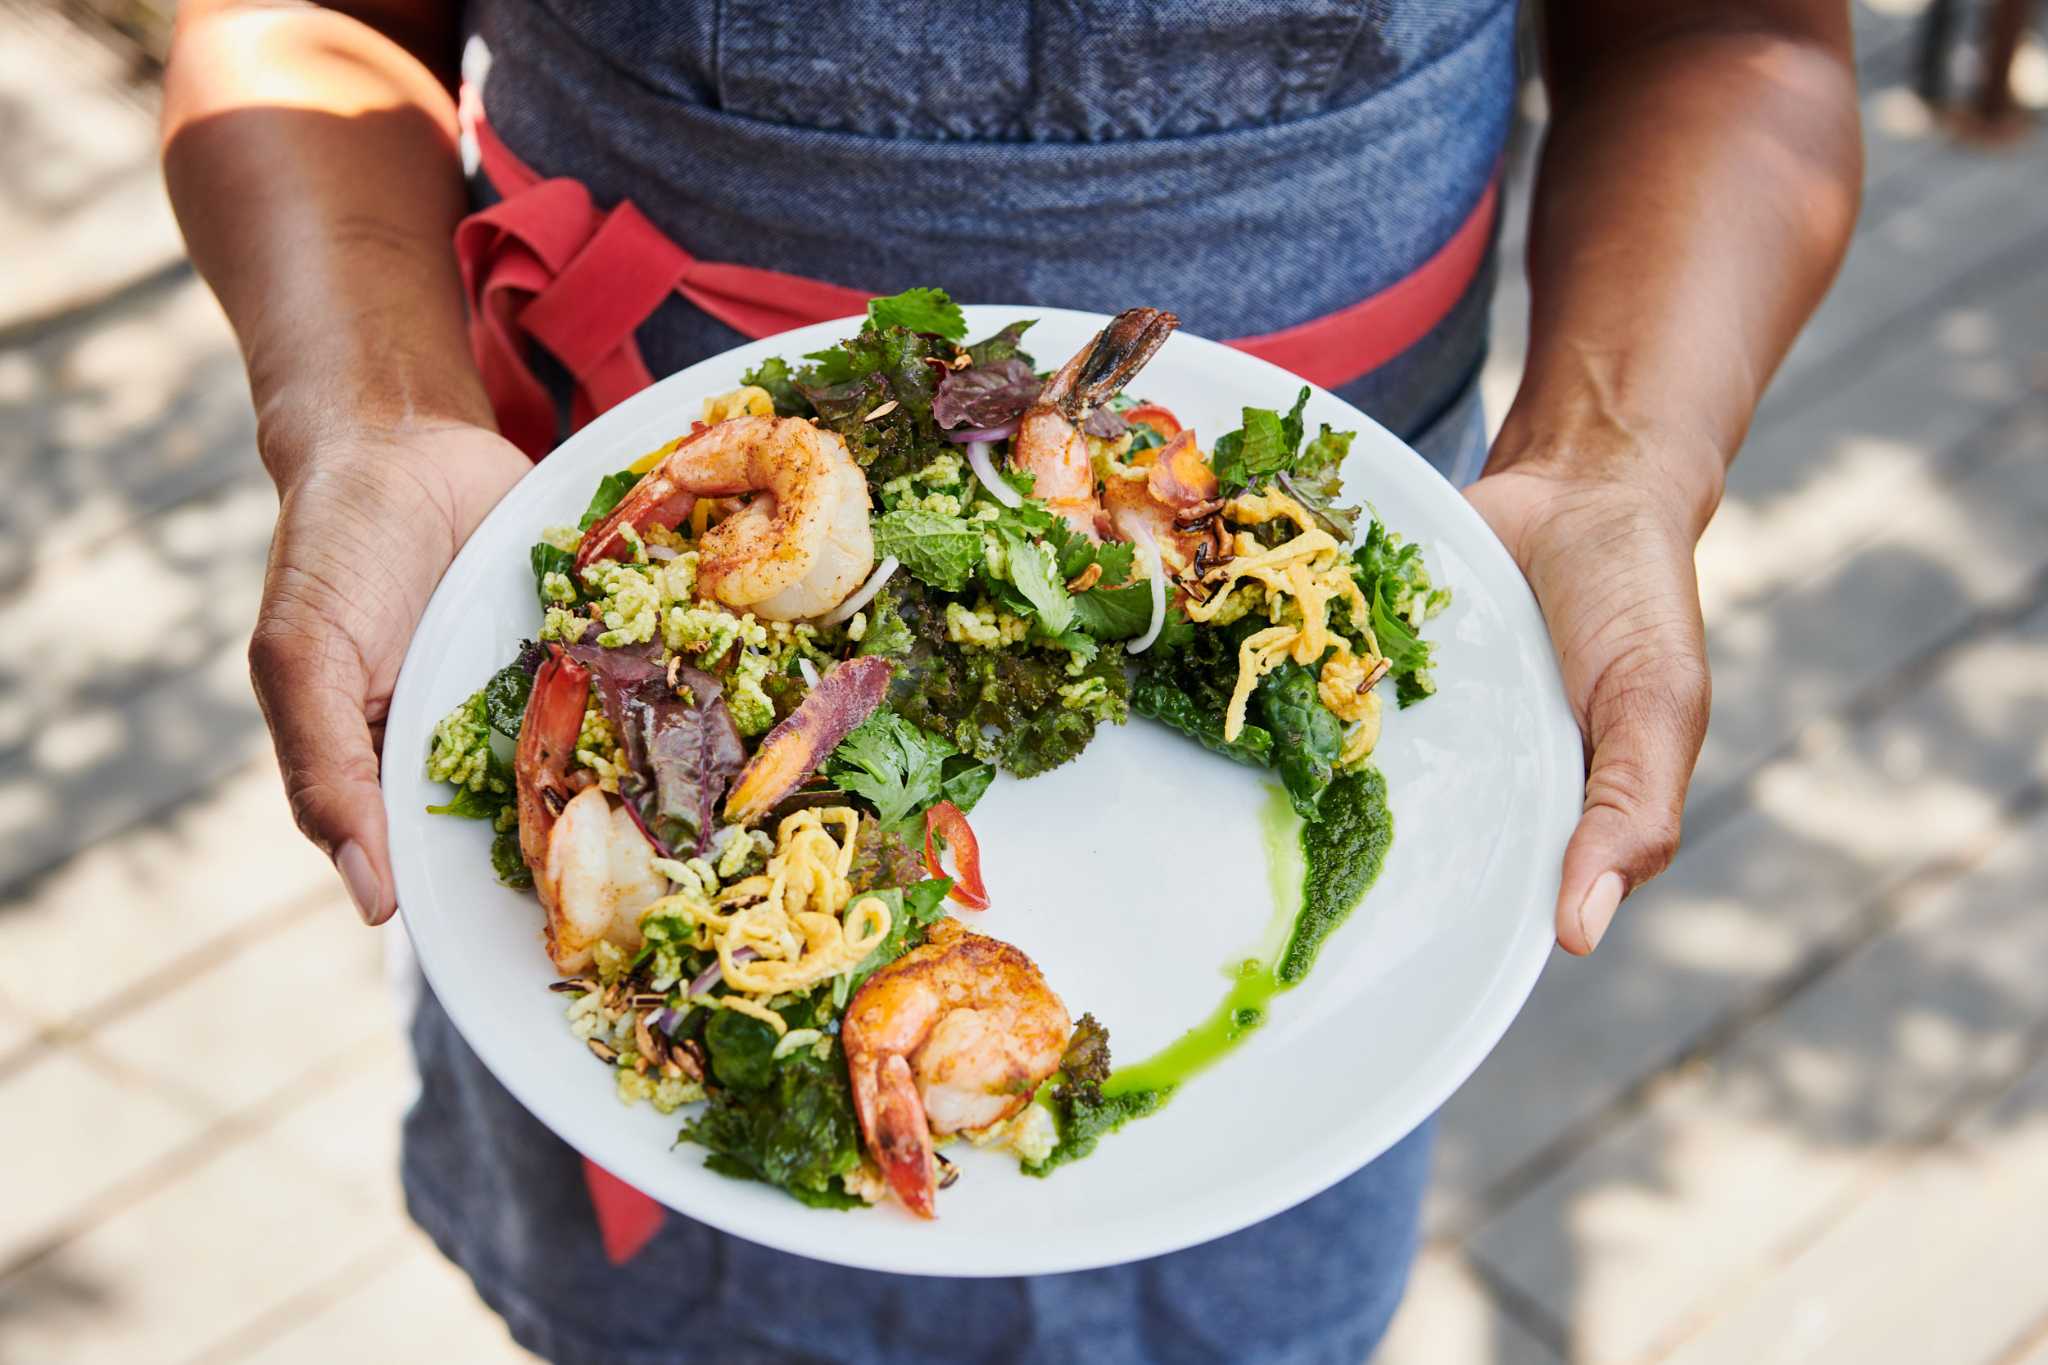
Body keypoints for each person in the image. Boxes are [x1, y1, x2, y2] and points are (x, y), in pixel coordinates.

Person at [161, 2, 1862, 1360]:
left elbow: (1730, 35)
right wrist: (372, 408)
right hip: (617, 566)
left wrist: (1618, 464)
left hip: (1332, 578)